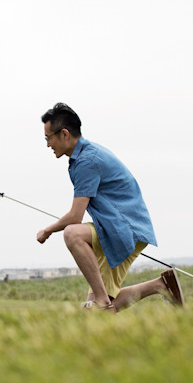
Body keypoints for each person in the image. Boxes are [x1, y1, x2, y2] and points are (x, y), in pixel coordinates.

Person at [36, 102, 183, 312]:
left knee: (72, 234)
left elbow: (74, 218)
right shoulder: (84, 156)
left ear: (65, 134)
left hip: (124, 230)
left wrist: (47, 230)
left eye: (48, 138)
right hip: (115, 230)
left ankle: (104, 301)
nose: (48, 144)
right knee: (97, 313)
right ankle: (160, 286)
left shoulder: (87, 161)